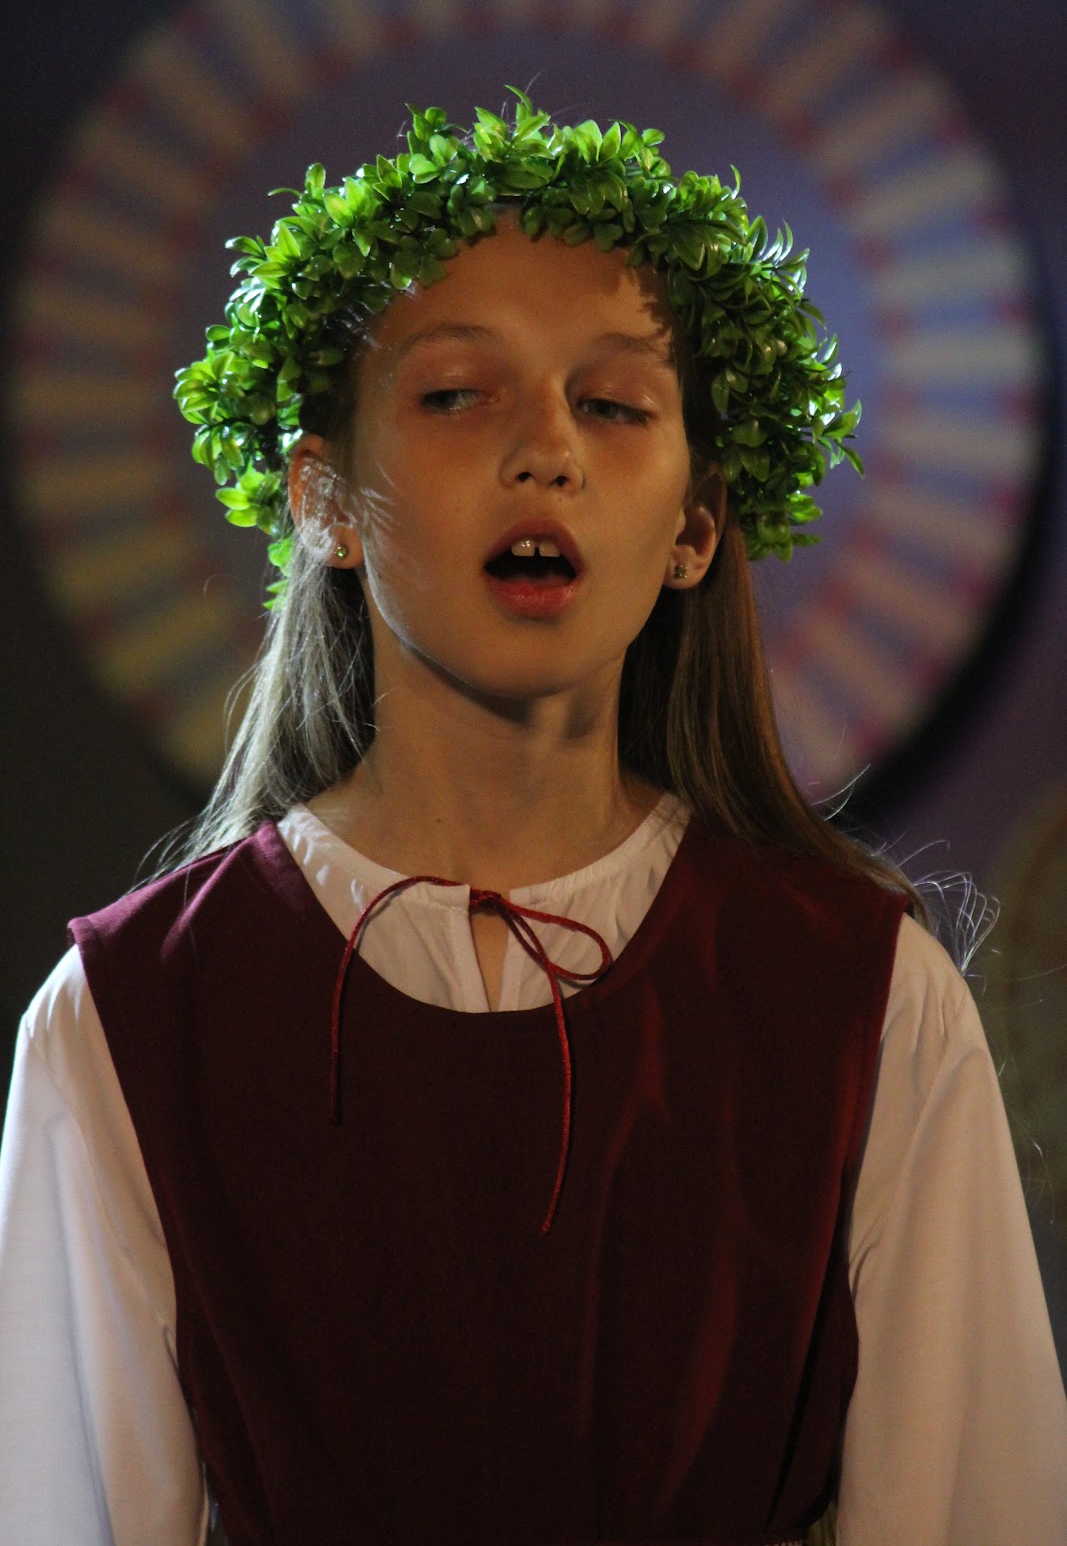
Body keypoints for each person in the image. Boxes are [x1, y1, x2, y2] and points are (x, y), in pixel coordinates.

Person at [1, 94, 1064, 1546]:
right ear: (325, 498)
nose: (547, 450)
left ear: (694, 528)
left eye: (614, 405)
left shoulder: (863, 998)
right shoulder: (132, 1016)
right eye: (456, 394)